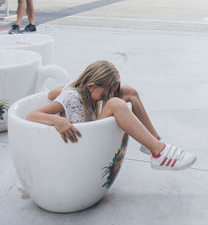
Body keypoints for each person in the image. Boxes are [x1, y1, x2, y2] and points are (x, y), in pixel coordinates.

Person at [26, 60, 196, 171]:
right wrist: (57, 119)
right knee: (115, 104)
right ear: (91, 86)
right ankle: (158, 152)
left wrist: (61, 90)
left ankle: (154, 141)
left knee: (128, 91)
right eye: (105, 93)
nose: (106, 97)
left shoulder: (80, 90)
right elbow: (31, 115)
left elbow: (52, 94)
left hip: (92, 132)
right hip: (82, 142)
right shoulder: (71, 96)